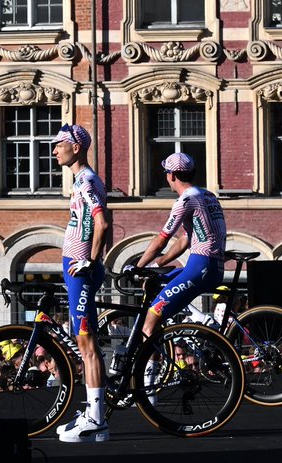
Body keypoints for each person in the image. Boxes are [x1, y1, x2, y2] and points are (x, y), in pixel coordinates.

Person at [52, 123, 110, 444]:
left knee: (87, 347)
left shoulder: (86, 180)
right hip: (77, 269)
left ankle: (97, 420)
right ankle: (92, 412)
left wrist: (91, 259)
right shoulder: (81, 180)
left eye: (59, 144)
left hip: (80, 270)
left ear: (76, 148)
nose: (54, 150)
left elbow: (102, 222)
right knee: (86, 345)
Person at [132, 152, 227, 341]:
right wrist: (158, 264)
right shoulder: (207, 195)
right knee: (159, 282)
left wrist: (137, 267)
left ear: (172, 175)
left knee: (148, 324)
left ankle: (148, 360)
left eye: (166, 172)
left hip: (200, 267)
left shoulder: (185, 200)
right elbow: (185, 239)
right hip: (213, 268)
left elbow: (161, 240)